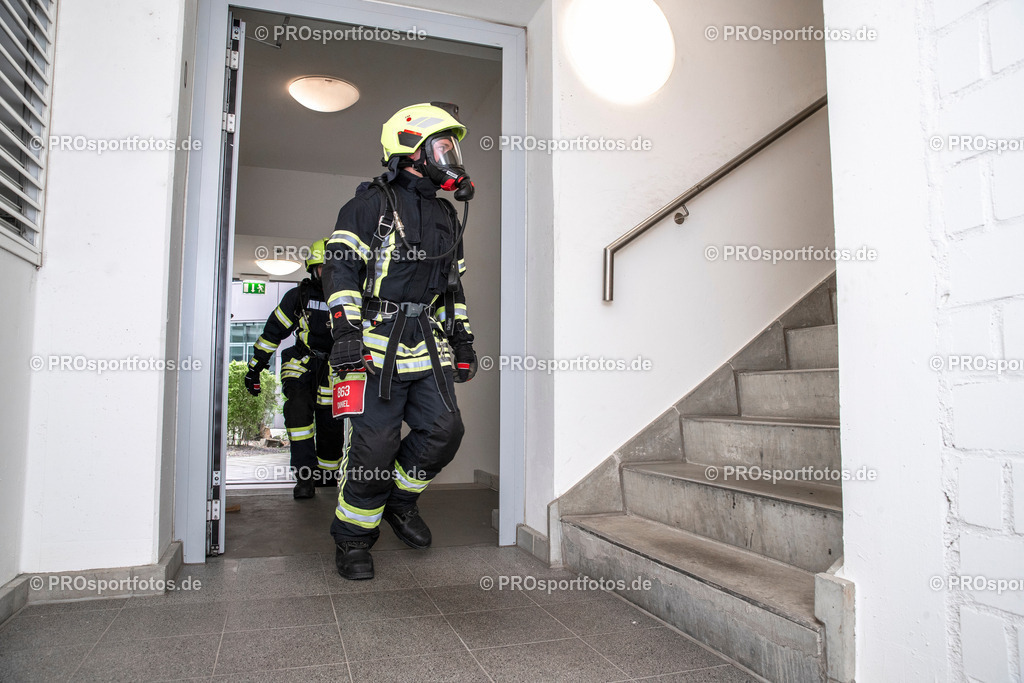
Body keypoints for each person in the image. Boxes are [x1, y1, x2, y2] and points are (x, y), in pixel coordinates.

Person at [323, 102, 478, 580]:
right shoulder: (369, 204)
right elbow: (341, 268)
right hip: (371, 347)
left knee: (445, 431)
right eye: (442, 145)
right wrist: (346, 332)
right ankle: (352, 538)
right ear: (411, 149)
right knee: (373, 448)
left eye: (453, 146)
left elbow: (453, 286)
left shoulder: (448, 216)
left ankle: (400, 501)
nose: (450, 155)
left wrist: (464, 338)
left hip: (427, 345)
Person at [244, 240, 346, 498]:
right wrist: (254, 369)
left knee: (331, 426)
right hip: (301, 364)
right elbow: (272, 334)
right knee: (298, 411)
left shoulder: (351, 299)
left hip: (335, 371)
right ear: (313, 269)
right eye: (324, 268)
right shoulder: (298, 297)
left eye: (335, 267)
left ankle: (326, 474)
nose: (329, 273)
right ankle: (304, 477)